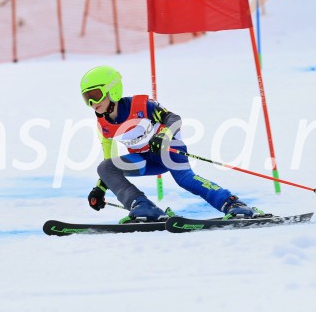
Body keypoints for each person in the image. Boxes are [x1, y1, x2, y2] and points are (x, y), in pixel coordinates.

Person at [81, 65, 259, 222]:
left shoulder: (141, 105)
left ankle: (232, 203)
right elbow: (110, 160)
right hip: (145, 159)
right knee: (105, 168)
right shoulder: (103, 126)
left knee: (185, 179)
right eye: (86, 98)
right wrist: (100, 188)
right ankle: (143, 206)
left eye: (95, 95)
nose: (92, 103)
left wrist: (163, 136)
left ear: (113, 90)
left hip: (169, 149)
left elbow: (174, 119)